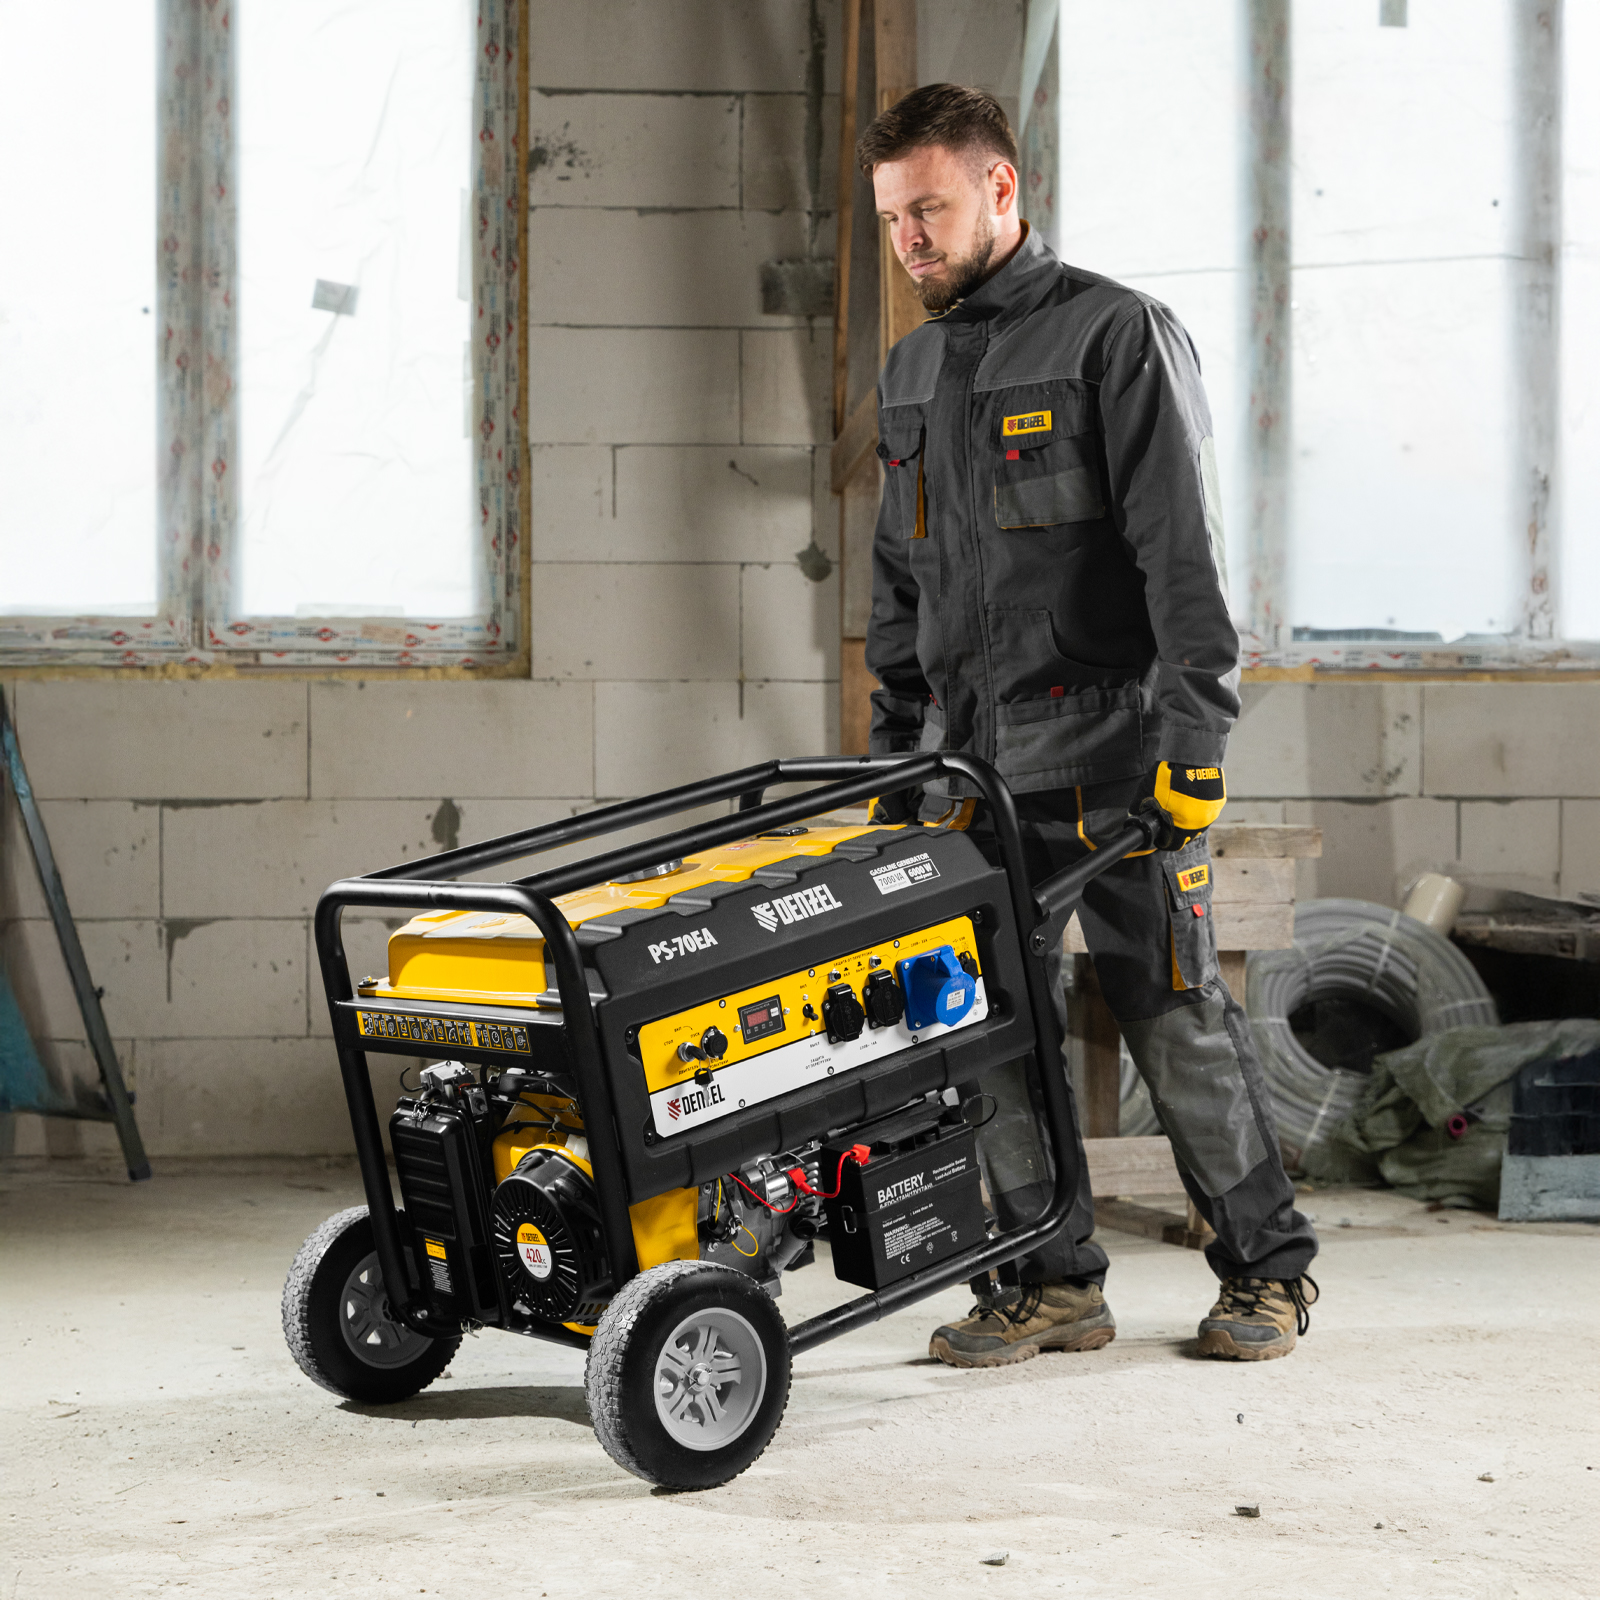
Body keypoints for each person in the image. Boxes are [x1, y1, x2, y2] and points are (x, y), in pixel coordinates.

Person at [858, 84, 1318, 1366]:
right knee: (986, 1026)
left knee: (1172, 1014)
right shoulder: (912, 368)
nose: (908, 238)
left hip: (1111, 761)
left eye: (928, 207)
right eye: (891, 217)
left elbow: (1183, 562)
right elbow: (898, 587)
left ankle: (1268, 1271)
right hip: (969, 775)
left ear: (1001, 188)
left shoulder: (1115, 335)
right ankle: (1051, 1281)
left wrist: (1194, 745)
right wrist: (894, 757)